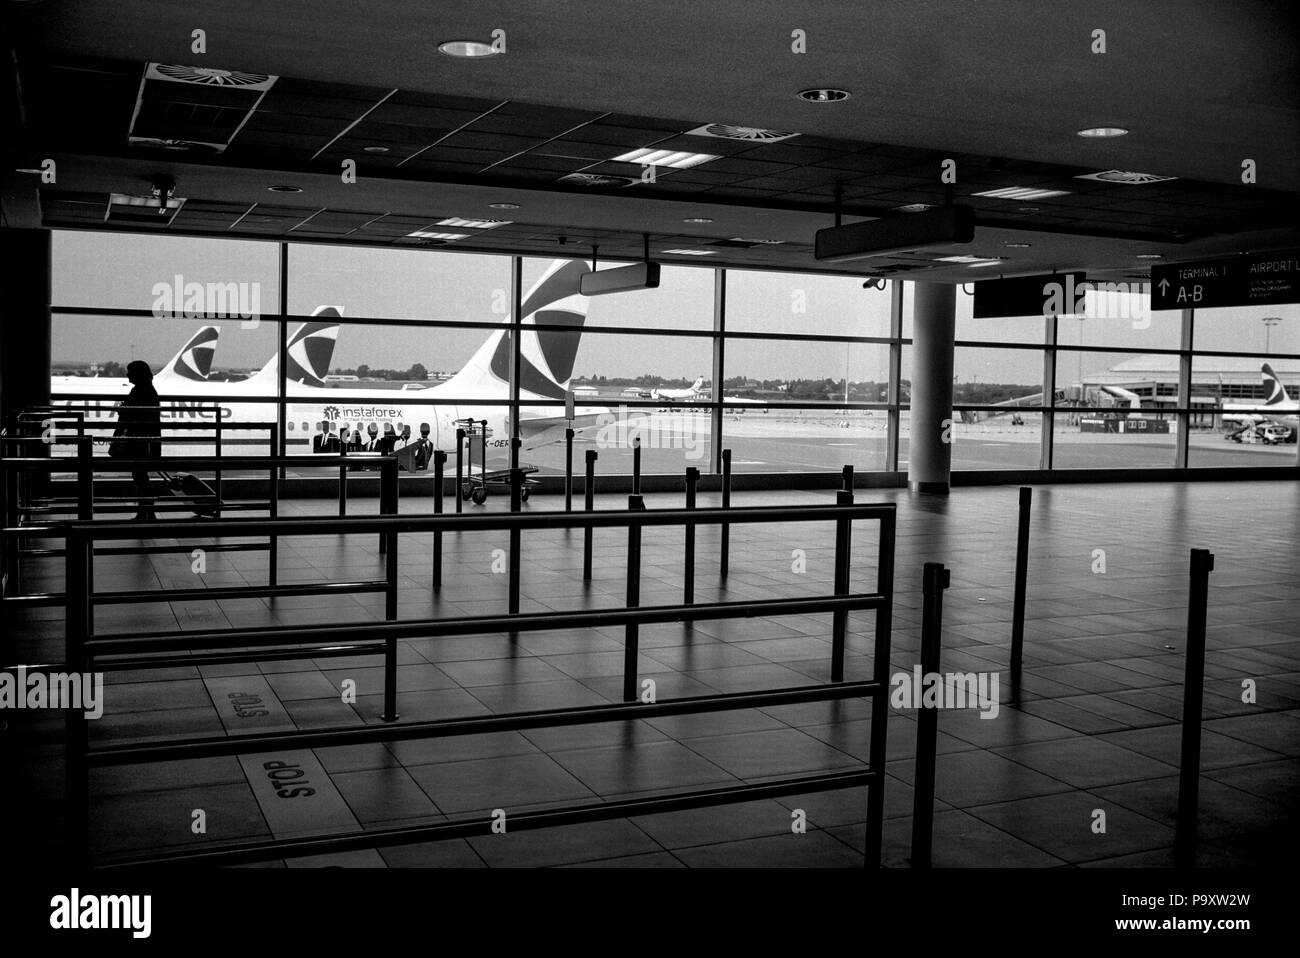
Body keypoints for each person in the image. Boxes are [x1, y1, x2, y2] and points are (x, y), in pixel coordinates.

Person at [116, 360, 162, 520]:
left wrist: (122, 410)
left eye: (130, 371)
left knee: (140, 477)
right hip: (144, 439)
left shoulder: (140, 391)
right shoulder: (147, 390)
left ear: (137, 374)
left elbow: (135, 414)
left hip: (139, 440)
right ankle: (147, 511)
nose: (127, 374)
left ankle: (145, 511)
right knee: (141, 477)